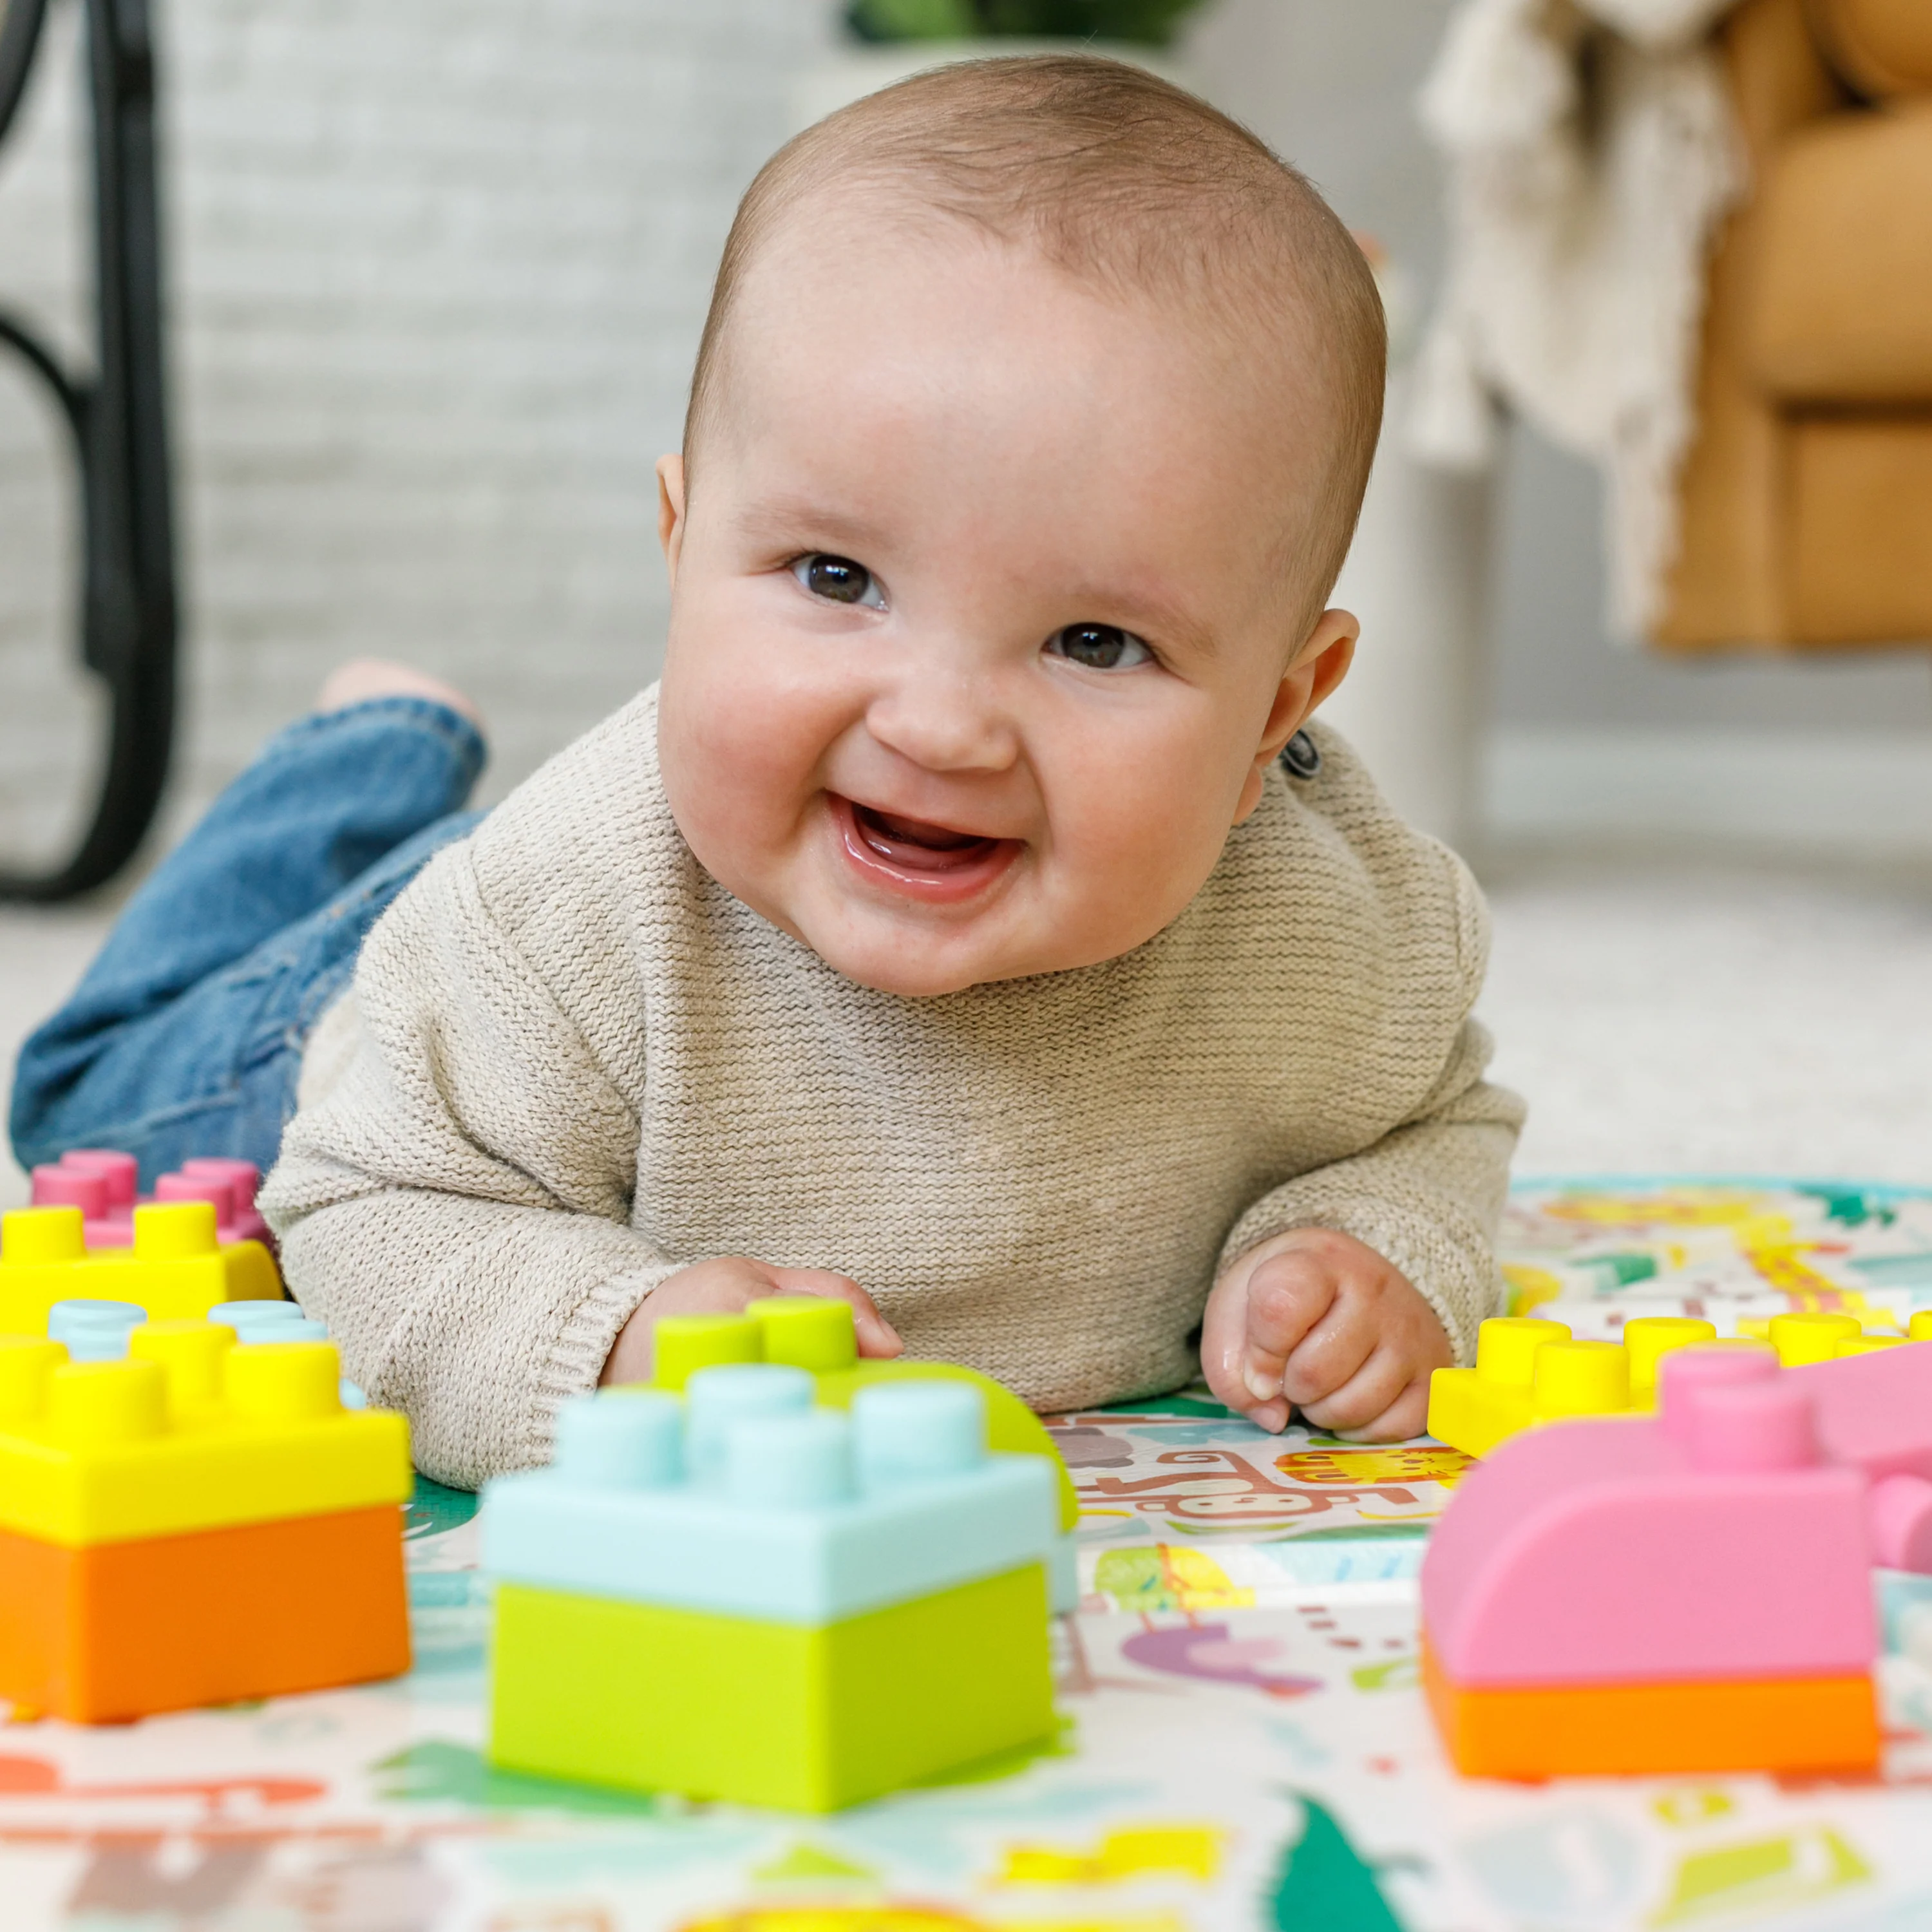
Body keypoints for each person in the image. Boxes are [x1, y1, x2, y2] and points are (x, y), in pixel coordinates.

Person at [11, 56, 1524, 1489]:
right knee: (83, 1110)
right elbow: (371, 1214)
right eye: (836, 577)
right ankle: (362, 761)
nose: (941, 729)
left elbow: (1433, 1127)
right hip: (356, 1027)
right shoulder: (559, 921)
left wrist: (1363, 1244)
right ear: (682, 549)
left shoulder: (1344, 936)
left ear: (1274, 716)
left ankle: (400, 768)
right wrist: (617, 1339)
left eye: (1093, 643)